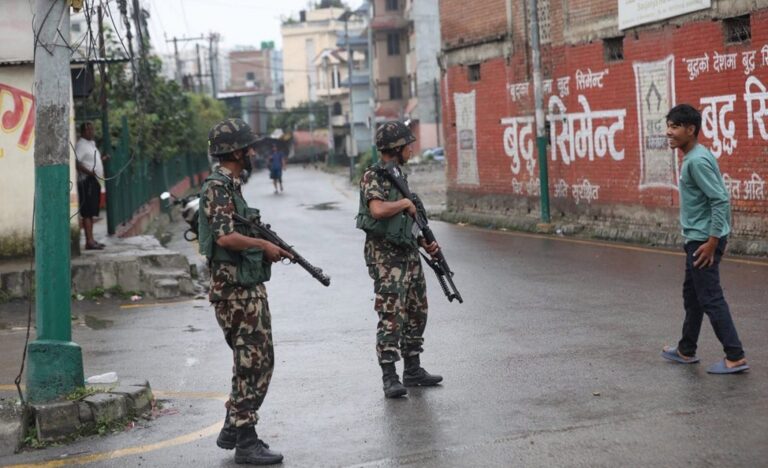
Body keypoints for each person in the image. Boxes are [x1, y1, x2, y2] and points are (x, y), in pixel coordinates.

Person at [199, 118, 292, 465]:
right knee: (254, 363)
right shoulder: (217, 187)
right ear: (236, 152)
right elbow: (225, 237)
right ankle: (246, 441)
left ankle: (233, 427)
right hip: (234, 291)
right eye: (248, 147)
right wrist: (262, 246)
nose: (253, 152)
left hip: (244, 288)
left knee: (254, 362)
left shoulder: (231, 186)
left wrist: (267, 245)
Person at [356, 120, 443, 398]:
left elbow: (405, 221)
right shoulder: (373, 176)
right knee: (392, 315)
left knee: (417, 311)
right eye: (408, 145)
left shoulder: (398, 175)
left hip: (408, 253)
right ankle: (390, 376)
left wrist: (424, 242)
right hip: (386, 259)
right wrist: (405, 203)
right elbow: (378, 210)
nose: (411, 149)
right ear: (396, 148)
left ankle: (413, 369)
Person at [661, 104, 749, 375]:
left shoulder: (696, 161)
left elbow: (720, 200)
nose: (669, 132)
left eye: (675, 127)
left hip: (703, 241)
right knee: (693, 296)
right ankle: (686, 349)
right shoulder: (696, 155)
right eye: (669, 126)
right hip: (698, 239)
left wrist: (712, 242)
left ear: (691, 130)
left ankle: (735, 356)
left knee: (710, 297)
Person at [74, 122, 107, 250]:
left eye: (92, 129)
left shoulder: (91, 144)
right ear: (82, 132)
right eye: (88, 130)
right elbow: (77, 163)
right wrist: (90, 172)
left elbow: (91, 161)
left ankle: (91, 239)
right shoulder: (81, 145)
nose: (91, 132)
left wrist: (102, 160)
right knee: (87, 212)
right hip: (86, 181)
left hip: (94, 181)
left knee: (92, 212)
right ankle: (89, 241)